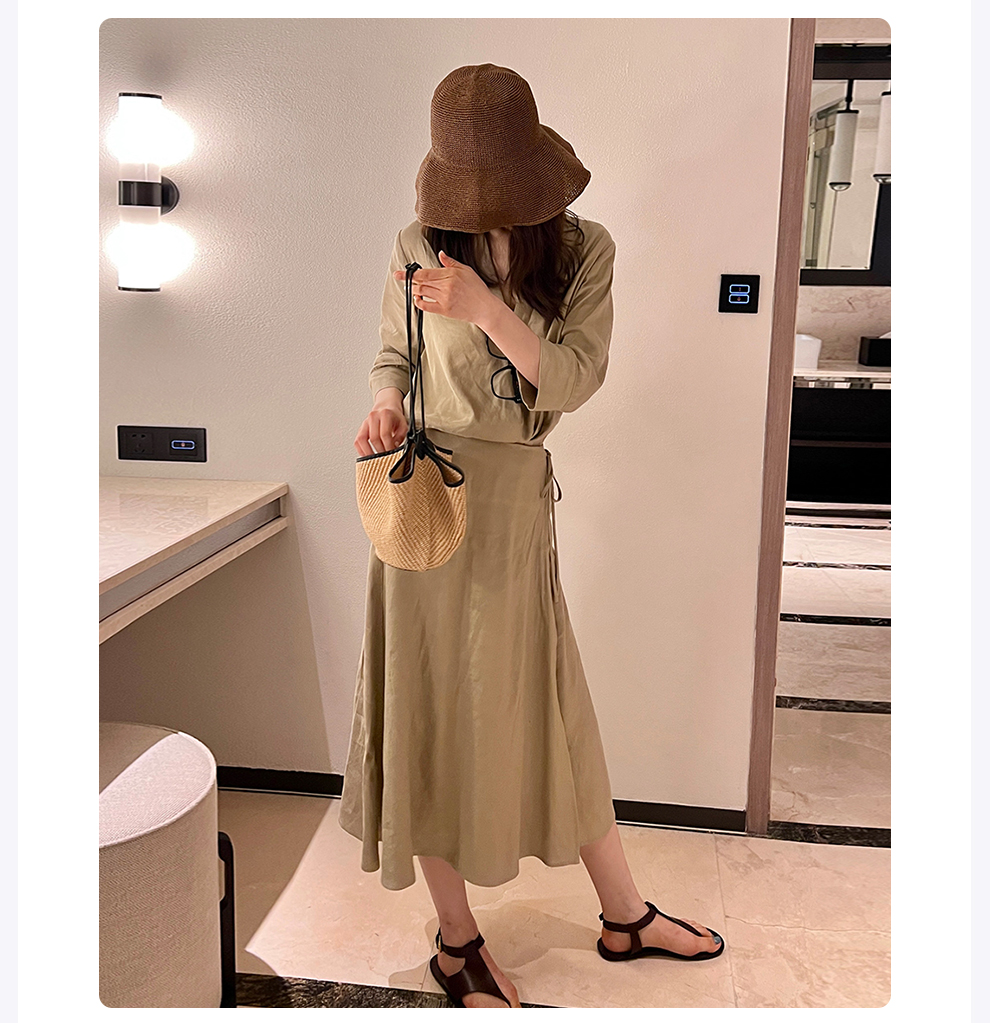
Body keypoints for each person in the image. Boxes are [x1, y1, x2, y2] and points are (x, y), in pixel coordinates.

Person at [341, 63, 724, 1009]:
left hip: (513, 506)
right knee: (427, 712)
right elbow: (392, 354)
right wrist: (385, 404)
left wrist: (484, 307)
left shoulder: (584, 249)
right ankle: (456, 942)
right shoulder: (417, 243)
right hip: (426, 501)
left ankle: (625, 913)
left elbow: (575, 377)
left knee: (555, 710)